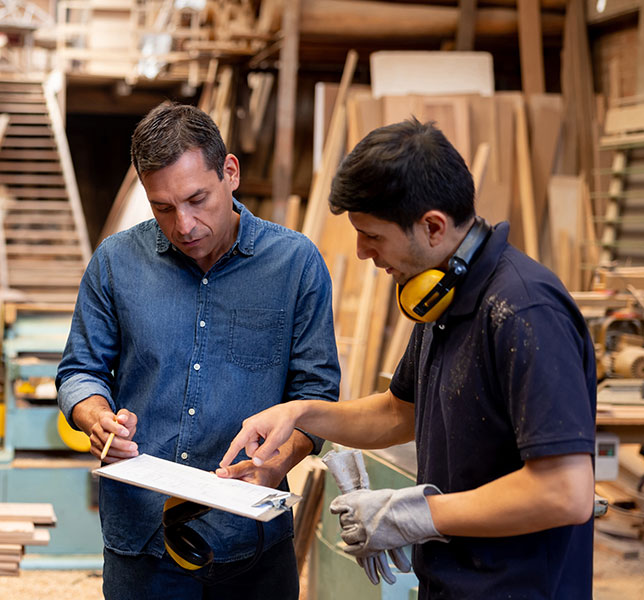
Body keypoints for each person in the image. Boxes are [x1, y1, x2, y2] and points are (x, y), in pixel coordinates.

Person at [220, 119, 596, 598]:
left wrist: (415, 515)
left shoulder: (523, 310)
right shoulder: (442, 295)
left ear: (433, 226)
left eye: (372, 236)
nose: (360, 252)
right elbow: (400, 412)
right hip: (453, 583)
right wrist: (300, 413)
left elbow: (565, 492)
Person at [56, 103, 340, 599]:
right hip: (142, 538)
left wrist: (279, 462)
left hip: (249, 540)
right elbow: (80, 369)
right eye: (162, 207)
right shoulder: (115, 262)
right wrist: (94, 417)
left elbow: (317, 395)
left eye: (197, 199)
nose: (183, 224)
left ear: (230, 172)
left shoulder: (294, 266)